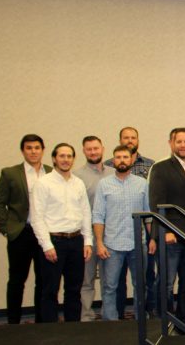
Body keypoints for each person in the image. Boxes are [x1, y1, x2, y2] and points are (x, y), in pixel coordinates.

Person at [147, 127, 185, 324]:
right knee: (165, 282)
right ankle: (163, 323)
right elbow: (156, 203)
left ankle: (183, 323)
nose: (183, 145)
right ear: (171, 144)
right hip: (171, 236)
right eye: (178, 141)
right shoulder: (161, 167)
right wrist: (164, 231)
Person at [30, 143, 93, 322]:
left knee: (74, 289)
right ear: (54, 159)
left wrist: (87, 241)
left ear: (73, 159)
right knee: (50, 290)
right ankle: (50, 331)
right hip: (53, 242)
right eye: (62, 156)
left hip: (76, 241)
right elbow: (37, 218)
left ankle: (72, 329)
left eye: (69, 156)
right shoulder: (43, 183)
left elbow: (86, 213)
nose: (66, 160)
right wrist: (46, 245)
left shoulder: (78, 183)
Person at [0, 134, 51, 324]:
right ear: (23, 151)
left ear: (43, 150)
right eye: (29, 148)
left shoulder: (51, 172)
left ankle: (40, 322)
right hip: (21, 233)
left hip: (44, 234)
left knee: (43, 280)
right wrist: (6, 229)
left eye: (37, 147)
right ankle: (13, 322)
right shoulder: (10, 173)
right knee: (17, 280)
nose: (33, 151)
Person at [93, 145, 150, 320]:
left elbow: (148, 215)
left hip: (137, 244)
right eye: (118, 157)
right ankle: (111, 323)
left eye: (125, 157)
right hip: (112, 246)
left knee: (140, 285)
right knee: (110, 287)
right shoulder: (104, 184)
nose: (122, 160)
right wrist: (100, 243)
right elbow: (98, 216)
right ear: (113, 160)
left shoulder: (142, 184)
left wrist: (152, 239)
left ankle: (141, 321)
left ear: (131, 159)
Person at [72, 135, 117, 321]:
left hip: (111, 236)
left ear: (102, 149)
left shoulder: (114, 173)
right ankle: (87, 317)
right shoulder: (76, 176)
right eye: (89, 149)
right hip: (87, 237)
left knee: (109, 281)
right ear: (83, 151)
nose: (93, 152)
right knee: (87, 280)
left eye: (96, 148)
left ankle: (108, 316)